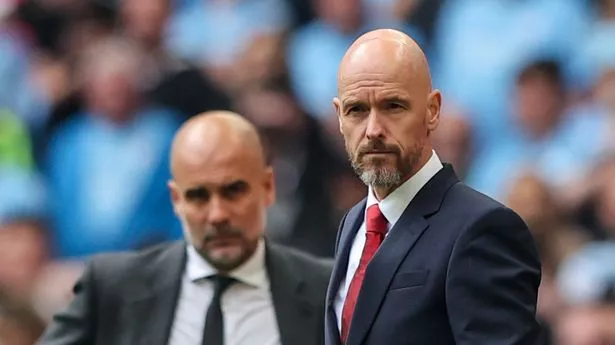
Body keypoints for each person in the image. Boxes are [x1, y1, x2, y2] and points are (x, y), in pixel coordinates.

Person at [324, 29, 543, 345]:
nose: (373, 130)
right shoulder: (352, 224)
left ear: (432, 110)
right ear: (339, 117)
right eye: (356, 109)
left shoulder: (483, 229)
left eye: (393, 106)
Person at [38, 111, 333, 345]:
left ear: (268, 187)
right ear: (176, 200)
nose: (217, 214)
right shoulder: (112, 288)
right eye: (198, 196)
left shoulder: (326, 289)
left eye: (233, 191)